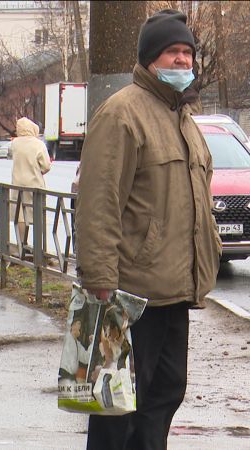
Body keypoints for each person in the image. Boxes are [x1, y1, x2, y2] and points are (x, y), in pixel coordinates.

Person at [74, 10, 221, 450]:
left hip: (176, 288)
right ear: (149, 58)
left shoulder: (184, 119)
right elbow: (99, 203)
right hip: (129, 292)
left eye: (187, 53)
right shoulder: (122, 114)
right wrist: (100, 280)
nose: (182, 61)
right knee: (116, 407)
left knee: (164, 394)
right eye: (172, 52)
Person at [9, 117, 51, 251]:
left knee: (20, 214)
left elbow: (11, 155)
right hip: (34, 184)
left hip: (17, 184)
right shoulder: (38, 144)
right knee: (37, 212)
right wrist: (40, 171)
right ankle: (39, 246)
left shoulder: (14, 143)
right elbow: (46, 166)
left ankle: (23, 243)